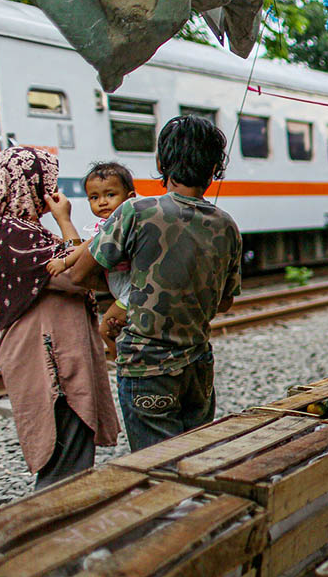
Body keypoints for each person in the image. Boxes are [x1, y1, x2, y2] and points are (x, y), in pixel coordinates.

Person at [69, 116, 242, 451]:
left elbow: (79, 274)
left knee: (158, 466)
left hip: (146, 365)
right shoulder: (227, 225)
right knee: (196, 457)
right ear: (214, 169)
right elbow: (224, 302)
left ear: (161, 163)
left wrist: (132, 290)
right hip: (198, 364)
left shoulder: (137, 211)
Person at [0, 146, 120, 488]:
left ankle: (66, 533)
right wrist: (66, 221)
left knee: (71, 459)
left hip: (56, 356)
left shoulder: (22, 231)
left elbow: (78, 264)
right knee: (63, 466)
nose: (49, 191)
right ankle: (54, 537)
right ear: (25, 184)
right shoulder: (9, 235)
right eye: (45, 181)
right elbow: (79, 273)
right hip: (50, 363)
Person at [46, 162, 137, 357]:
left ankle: (123, 362)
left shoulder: (123, 224)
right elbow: (90, 244)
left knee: (106, 329)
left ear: (130, 198)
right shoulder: (109, 225)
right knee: (122, 330)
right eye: (94, 197)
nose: (102, 202)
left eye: (110, 195)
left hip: (131, 291)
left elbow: (88, 246)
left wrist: (64, 263)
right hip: (123, 288)